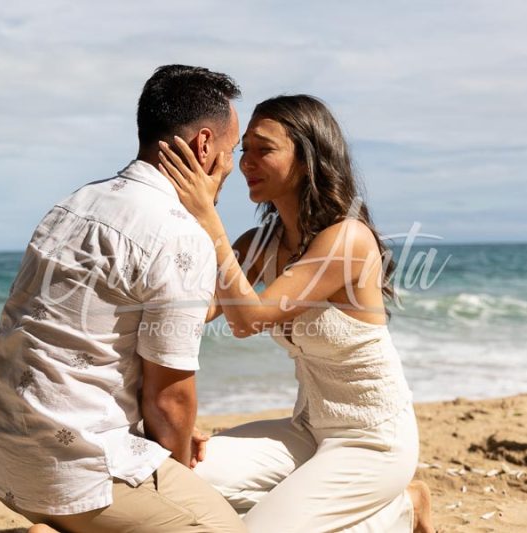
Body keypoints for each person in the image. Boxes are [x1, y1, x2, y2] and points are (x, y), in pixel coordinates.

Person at [0, 65, 246, 533]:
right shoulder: (178, 235)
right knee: (218, 526)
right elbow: (169, 401)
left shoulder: (72, 205)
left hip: (2, 456)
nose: (230, 170)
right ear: (205, 146)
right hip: (69, 475)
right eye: (230, 153)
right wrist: (170, 469)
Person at [158, 94, 435, 532]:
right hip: (306, 431)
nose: (246, 161)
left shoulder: (348, 239)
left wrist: (208, 215)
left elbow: (248, 319)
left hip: (372, 443)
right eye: (243, 149)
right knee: (169, 482)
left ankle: (399, 509)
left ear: (307, 160)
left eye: (263, 149)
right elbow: (194, 312)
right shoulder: (259, 243)